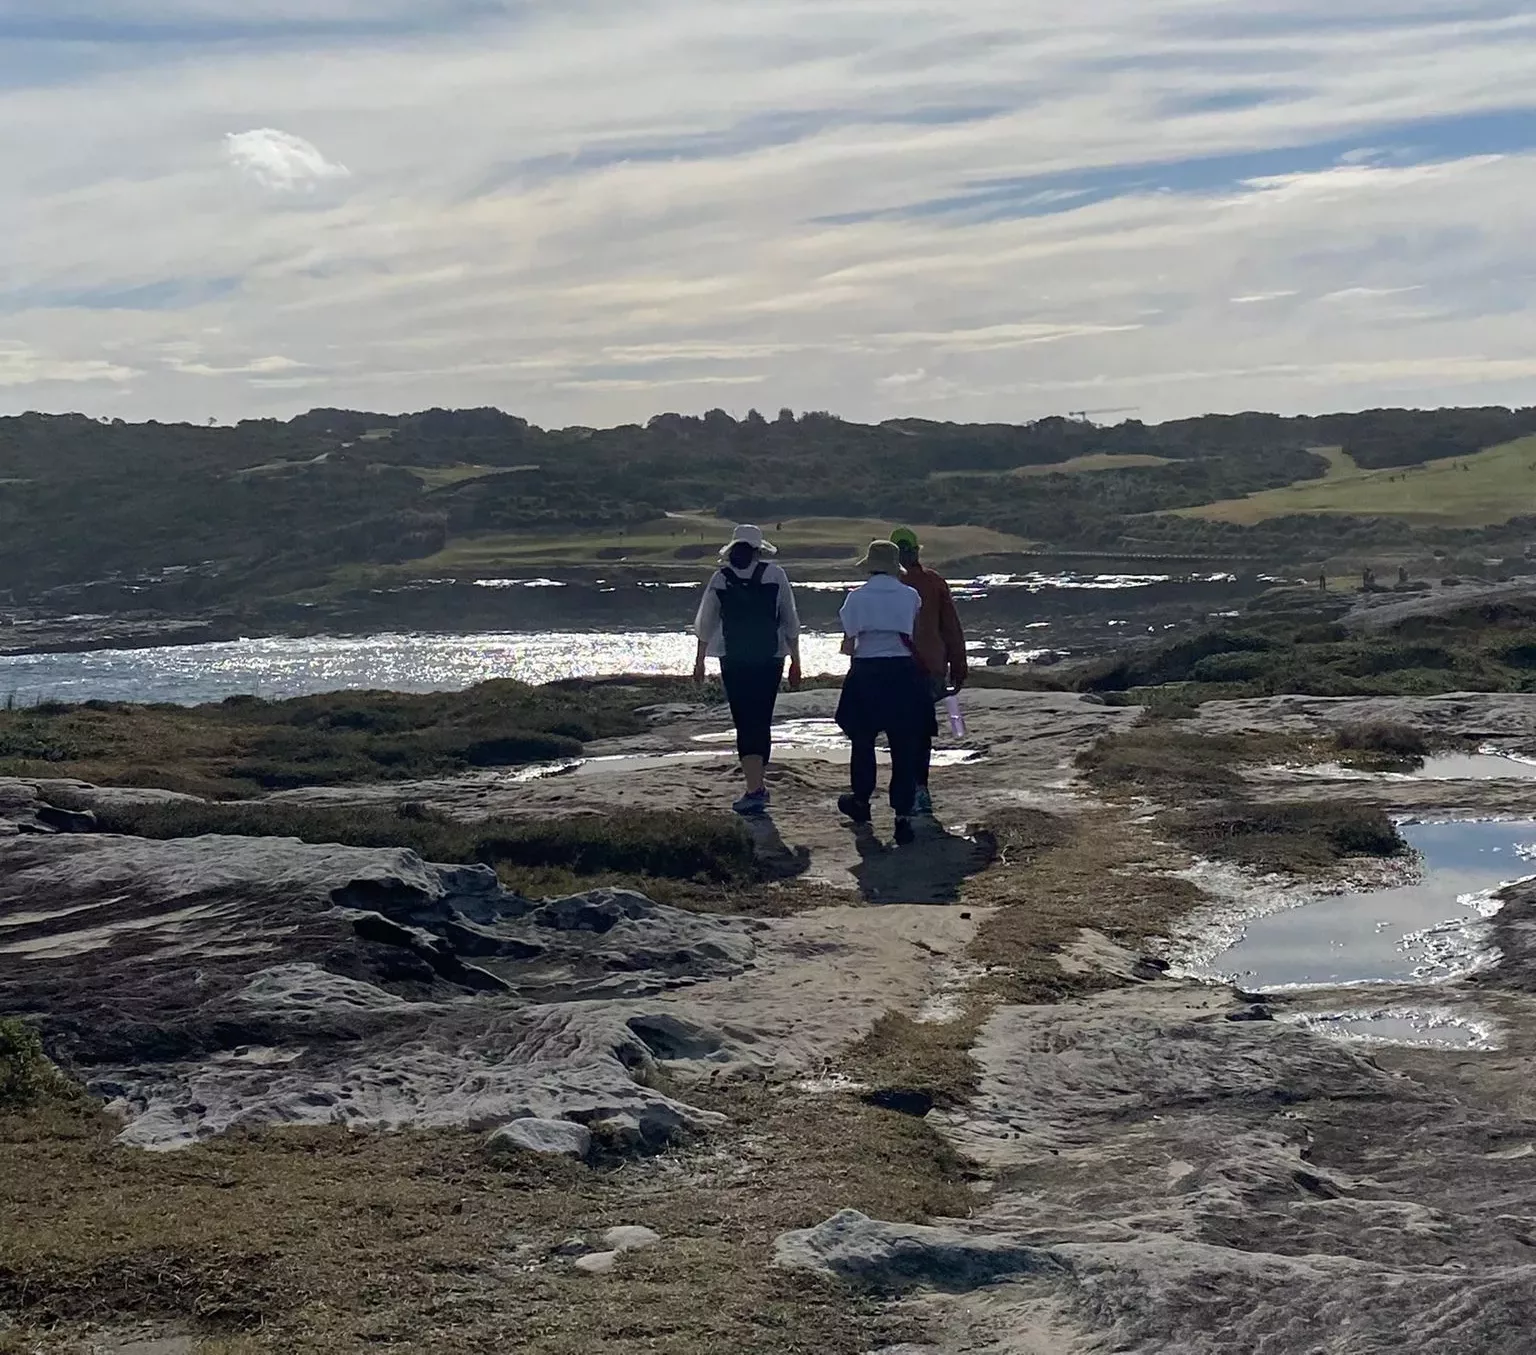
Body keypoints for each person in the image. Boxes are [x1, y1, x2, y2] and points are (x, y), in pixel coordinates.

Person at [693, 524, 802, 815]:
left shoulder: (721, 578)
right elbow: (789, 619)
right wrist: (796, 660)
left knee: (744, 720)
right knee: (762, 718)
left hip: (733, 656)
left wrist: (700, 660)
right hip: (771, 656)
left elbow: (705, 623)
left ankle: (754, 787)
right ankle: (758, 784)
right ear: (758, 550)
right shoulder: (775, 575)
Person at [834, 540, 936, 847]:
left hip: (867, 672)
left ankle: (861, 801)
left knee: (862, 741)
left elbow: (850, 642)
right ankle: (902, 814)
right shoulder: (911, 595)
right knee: (904, 744)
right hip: (903, 672)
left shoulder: (855, 598)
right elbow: (912, 631)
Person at [890, 526, 968, 817]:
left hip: (891, 667)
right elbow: (951, 628)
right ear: (916, 551)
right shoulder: (934, 582)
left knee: (899, 730)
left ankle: (904, 791)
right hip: (929, 668)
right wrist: (959, 665)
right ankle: (920, 790)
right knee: (921, 731)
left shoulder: (881, 584)